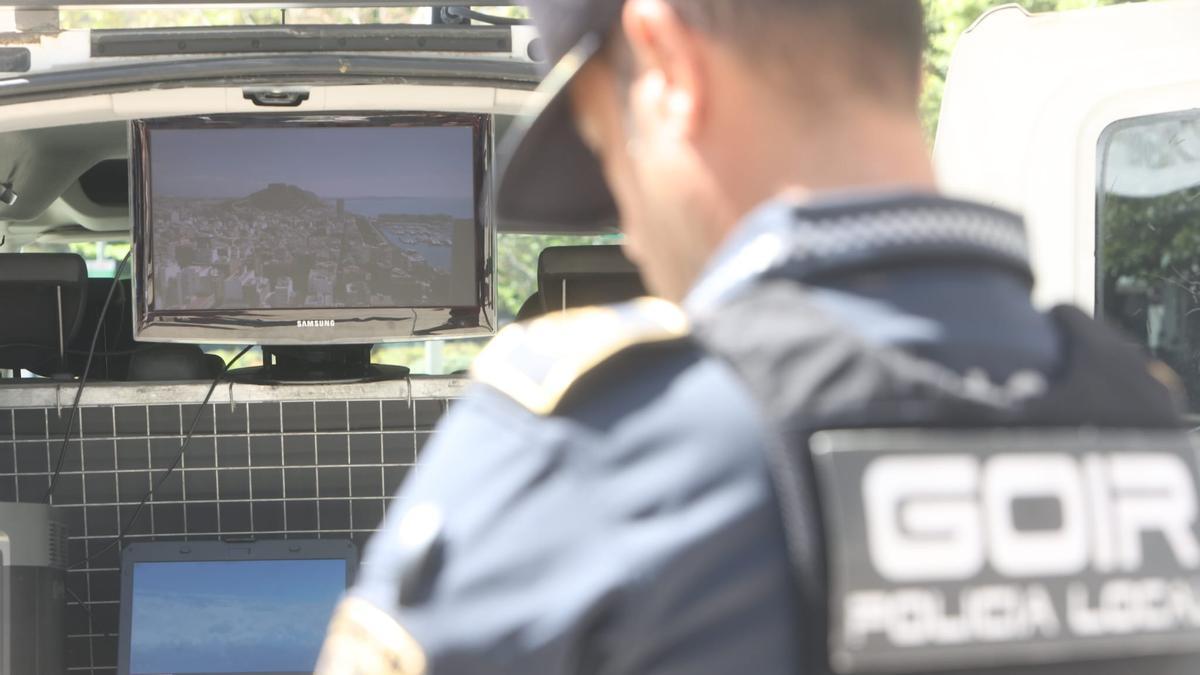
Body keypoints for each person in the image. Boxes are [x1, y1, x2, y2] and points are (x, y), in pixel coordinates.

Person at [316, 1, 1200, 674]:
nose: (627, 233)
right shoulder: (1149, 429)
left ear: (664, 64)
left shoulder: (597, 443)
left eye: (602, 149)